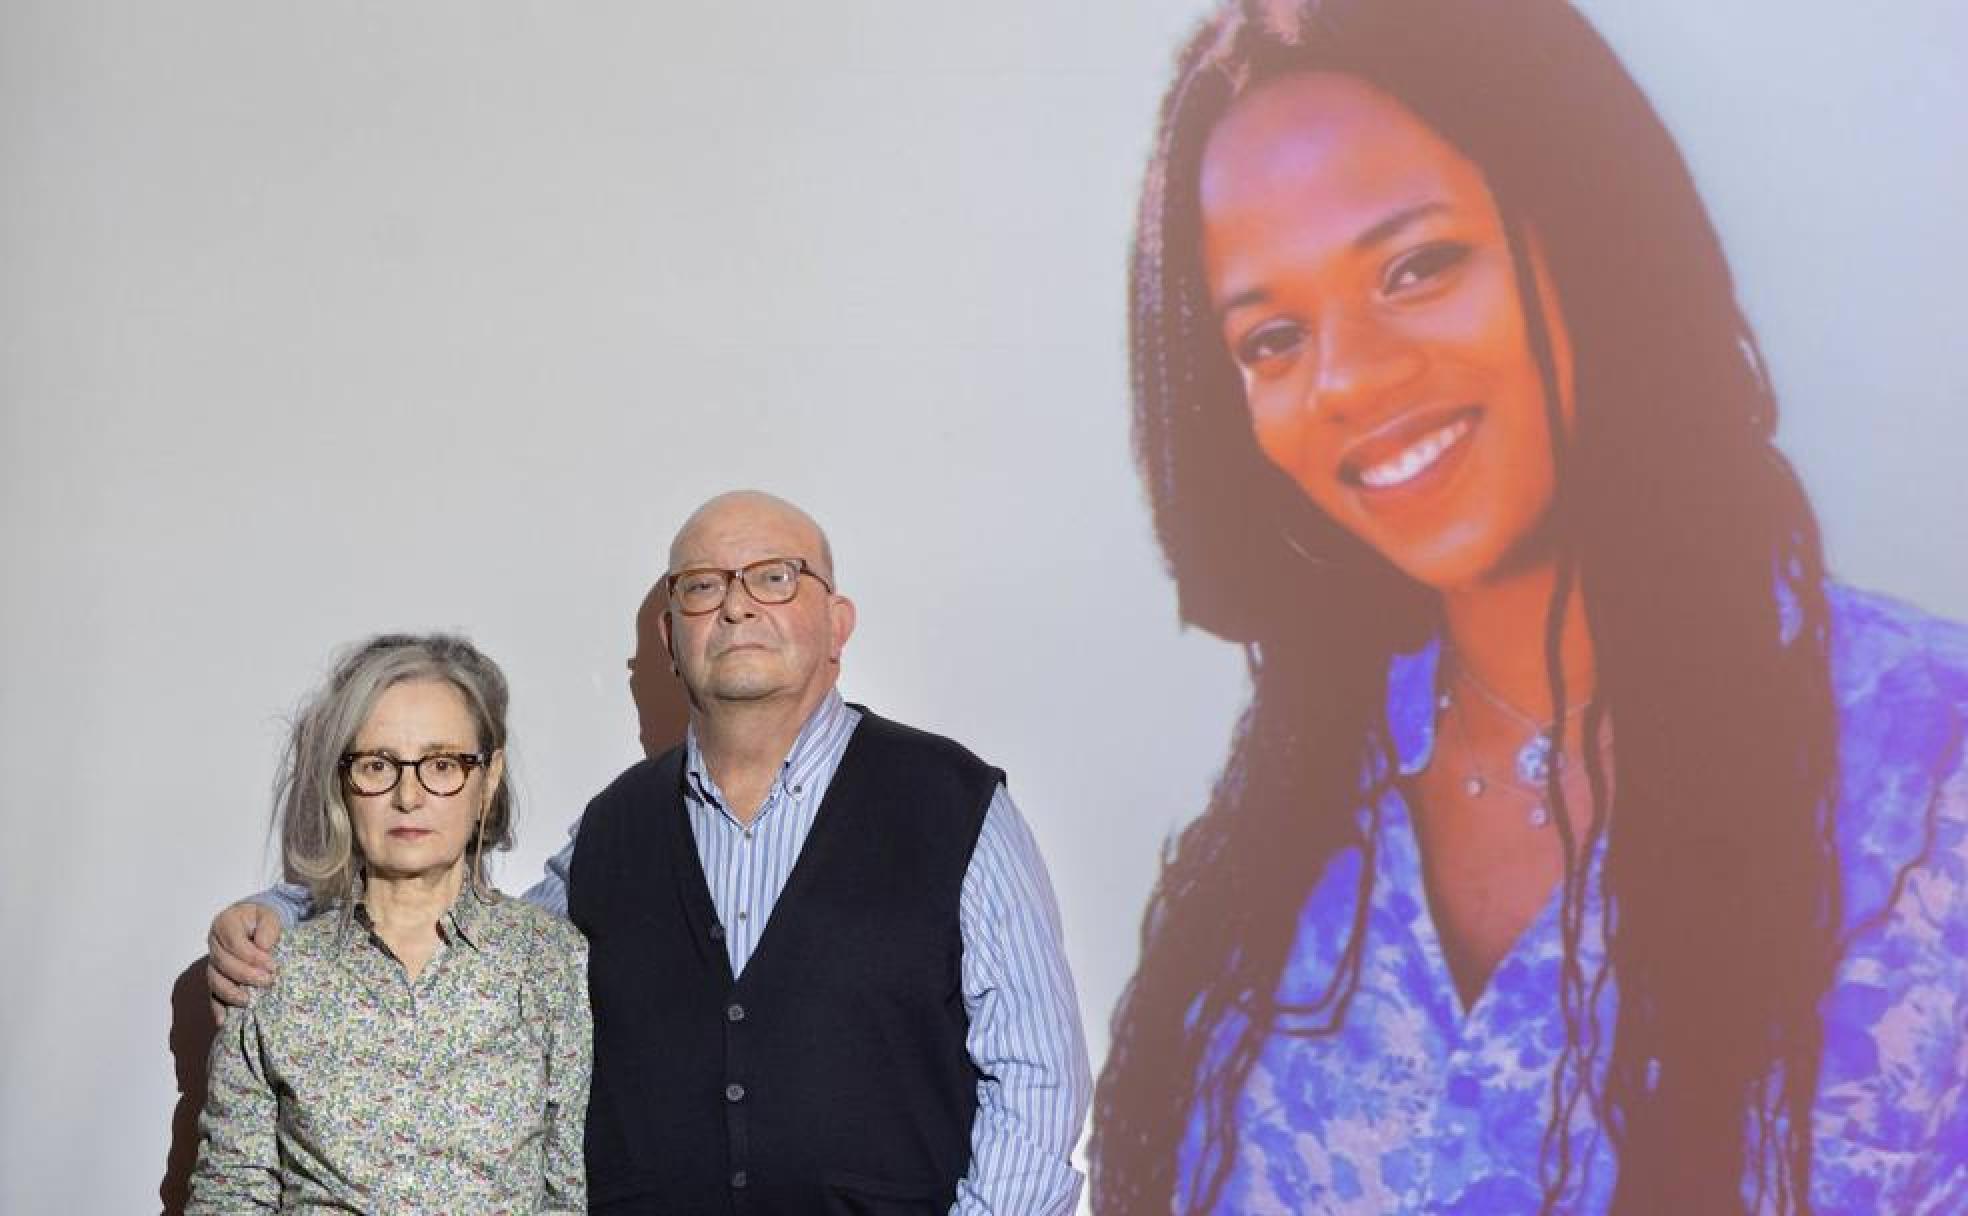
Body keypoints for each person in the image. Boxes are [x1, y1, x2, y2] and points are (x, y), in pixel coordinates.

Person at [1090, 2, 1967, 1214]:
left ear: (1592, 236)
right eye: (1274, 336)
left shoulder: (1932, 776)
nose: (1346, 377)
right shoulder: (1284, 833)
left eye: (1417, 265)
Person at [208, 491, 1091, 1214]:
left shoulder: (955, 804)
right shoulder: (616, 828)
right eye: (701, 586)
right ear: (670, 637)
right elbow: (463, 916)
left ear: (838, 622)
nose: (737, 603)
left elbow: (1038, 1080)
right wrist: (283, 917)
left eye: (775, 577)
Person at [187, 634, 590, 1214]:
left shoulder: (550, 960)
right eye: (378, 765)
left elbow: (564, 1193)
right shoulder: (273, 971)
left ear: (489, 777)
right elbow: (231, 1194)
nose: (409, 795)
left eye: (442, 764)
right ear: (342, 780)